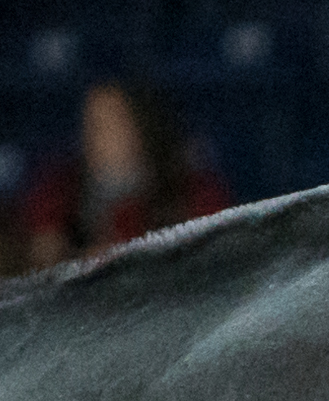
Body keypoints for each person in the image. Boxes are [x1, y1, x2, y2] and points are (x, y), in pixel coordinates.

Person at [20, 81, 230, 268]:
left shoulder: (192, 192)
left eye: (110, 123)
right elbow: (41, 264)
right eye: (90, 124)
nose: (95, 137)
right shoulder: (59, 192)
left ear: (141, 125)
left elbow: (216, 261)